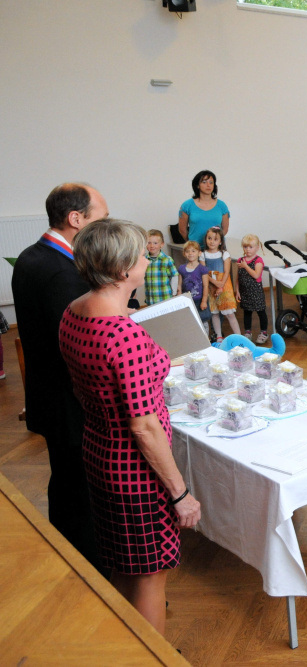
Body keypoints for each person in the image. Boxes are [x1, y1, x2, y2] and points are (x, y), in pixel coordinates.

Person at [59, 218, 201, 635]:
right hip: (135, 471)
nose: (146, 260)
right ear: (123, 271)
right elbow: (144, 428)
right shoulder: (124, 337)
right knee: (151, 576)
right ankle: (150, 657)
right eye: (141, 255)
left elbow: (87, 383)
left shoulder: (74, 312)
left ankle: (122, 647)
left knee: (124, 565)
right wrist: (180, 494)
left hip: (98, 450)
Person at [11, 182, 109, 573]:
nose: (105, 225)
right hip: (70, 402)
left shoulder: (31, 256)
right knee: (82, 492)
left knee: (66, 484)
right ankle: (91, 574)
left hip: (47, 394)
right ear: (76, 219)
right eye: (101, 217)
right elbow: (79, 346)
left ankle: (66, 556)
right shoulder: (62, 272)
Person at [200, 226, 240, 342]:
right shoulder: (203, 255)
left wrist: (221, 285)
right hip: (210, 286)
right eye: (209, 238)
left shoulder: (224, 254)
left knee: (229, 313)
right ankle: (219, 337)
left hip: (224, 286)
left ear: (220, 241)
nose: (212, 242)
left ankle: (239, 337)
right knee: (214, 313)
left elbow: (227, 272)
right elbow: (204, 272)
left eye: (215, 239)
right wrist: (215, 283)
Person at [178, 169, 229, 247]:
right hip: (195, 249)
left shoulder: (222, 205)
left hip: (216, 249)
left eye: (211, 182)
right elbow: (182, 230)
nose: (208, 185)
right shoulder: (187, 205)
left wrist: (213, 243)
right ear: (197, 185)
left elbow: (225, 229)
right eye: (204, 182)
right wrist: (192, 245)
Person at [234, 233, 268, 344]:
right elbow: (238, 277)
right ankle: (247, 332)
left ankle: (264, 332)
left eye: (251, 247)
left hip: (256, 292)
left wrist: (246, 266)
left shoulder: (258, 260)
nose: (248, 249)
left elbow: (256, 275)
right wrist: (237, 290)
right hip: (245, 291)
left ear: (257, 248)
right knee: (247, 312)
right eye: (245, 247)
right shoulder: (240, 260)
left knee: (261, 312)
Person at [177, 240, 211, 334]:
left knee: (202, 320)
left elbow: (205, 286)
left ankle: (205, 338)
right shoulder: (182, 268)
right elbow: (179, 284)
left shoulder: (202, 269)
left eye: (193, 251)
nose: (190, 253)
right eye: (187, 251)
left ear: (199, 253)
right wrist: (179, 296)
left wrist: (204, 301)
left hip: (199, 300)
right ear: (184, 254)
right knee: (189, 320)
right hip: (187, 300)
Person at [143, 229, 178, 306]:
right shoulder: (144, 260)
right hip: (150, 298)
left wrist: (174, 293)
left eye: (155, 243)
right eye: (149, 243)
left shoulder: (167, 260)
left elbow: (174, 276)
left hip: (165, 297)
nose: (152, 246)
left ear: (161, 244)